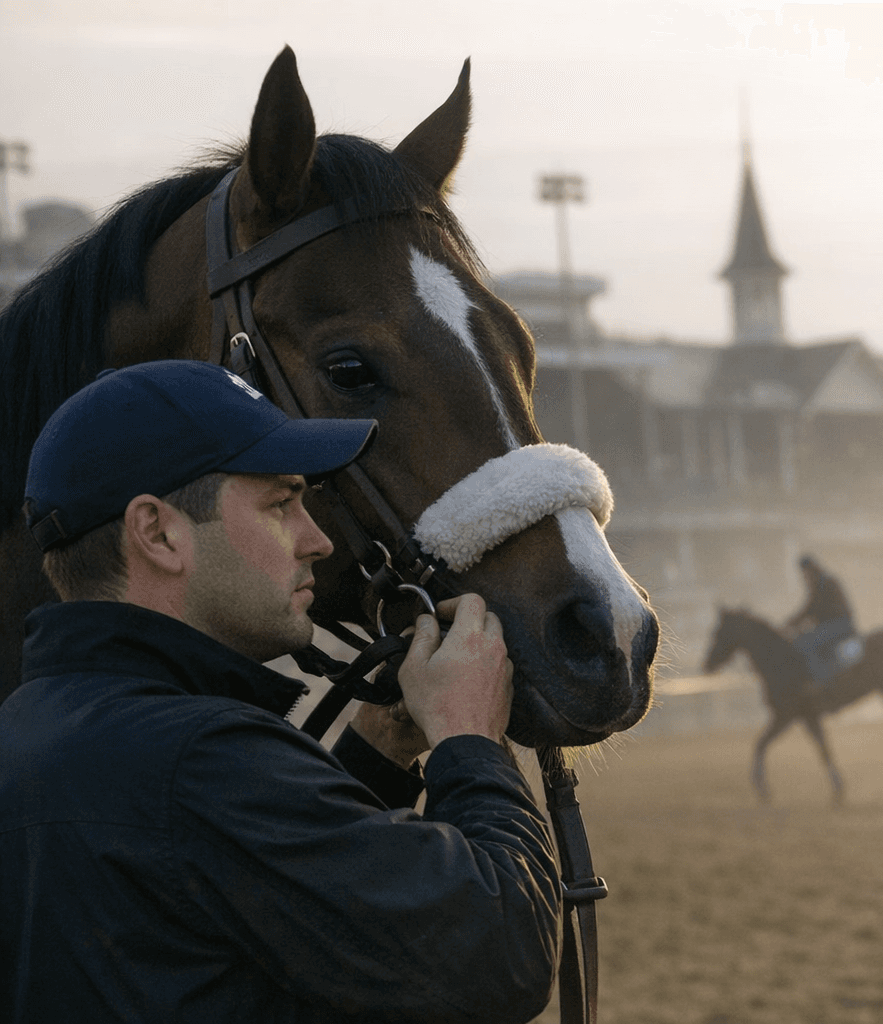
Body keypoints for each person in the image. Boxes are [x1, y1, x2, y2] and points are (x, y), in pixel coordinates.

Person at [0, 360, 562, 1022]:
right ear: (157, 533)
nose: (317, 540)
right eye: (281, 503)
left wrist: (375, 760)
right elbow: (500, 958)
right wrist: (469, 741)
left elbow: (248, 899)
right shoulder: (202, 760)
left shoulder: (30, 727)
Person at [784, 553, 860, 684]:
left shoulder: (823, 583)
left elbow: (812, 608)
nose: (804, 576)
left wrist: (792, 623)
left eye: (804, 573)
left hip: (839, 624)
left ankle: (820, 680)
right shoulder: (822, 582)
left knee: (805, 644)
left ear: (810, 569)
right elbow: (811, 609)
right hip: (835, 623)